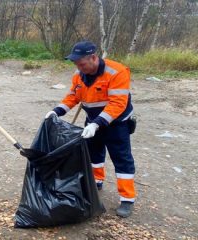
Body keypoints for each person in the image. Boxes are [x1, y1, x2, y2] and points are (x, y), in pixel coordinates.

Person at [45, 41, 136, 218]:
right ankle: (96, 181)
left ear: (93, 58)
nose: (78, 68)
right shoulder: (79, 74)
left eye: (81, 64)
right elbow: (73, 96)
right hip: (93, 121)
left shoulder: (117, 72)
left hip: (116, 124)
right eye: (76, 64)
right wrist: (57, 111)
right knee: (94, 155)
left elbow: (117, 104)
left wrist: (97, 123)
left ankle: (127, 199)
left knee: (122, 159)